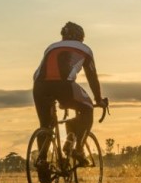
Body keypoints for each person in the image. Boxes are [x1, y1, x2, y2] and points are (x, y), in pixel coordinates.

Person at [32, 22, 107, 172]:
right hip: (64, 85)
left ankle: (42, 162)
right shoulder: (85, 49)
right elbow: (92, 77)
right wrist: (98, 99)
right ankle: (78, 149)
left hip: (39, 86)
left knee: (46, 125)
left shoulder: (51, 46)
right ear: (81, 38)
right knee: (87, 109)